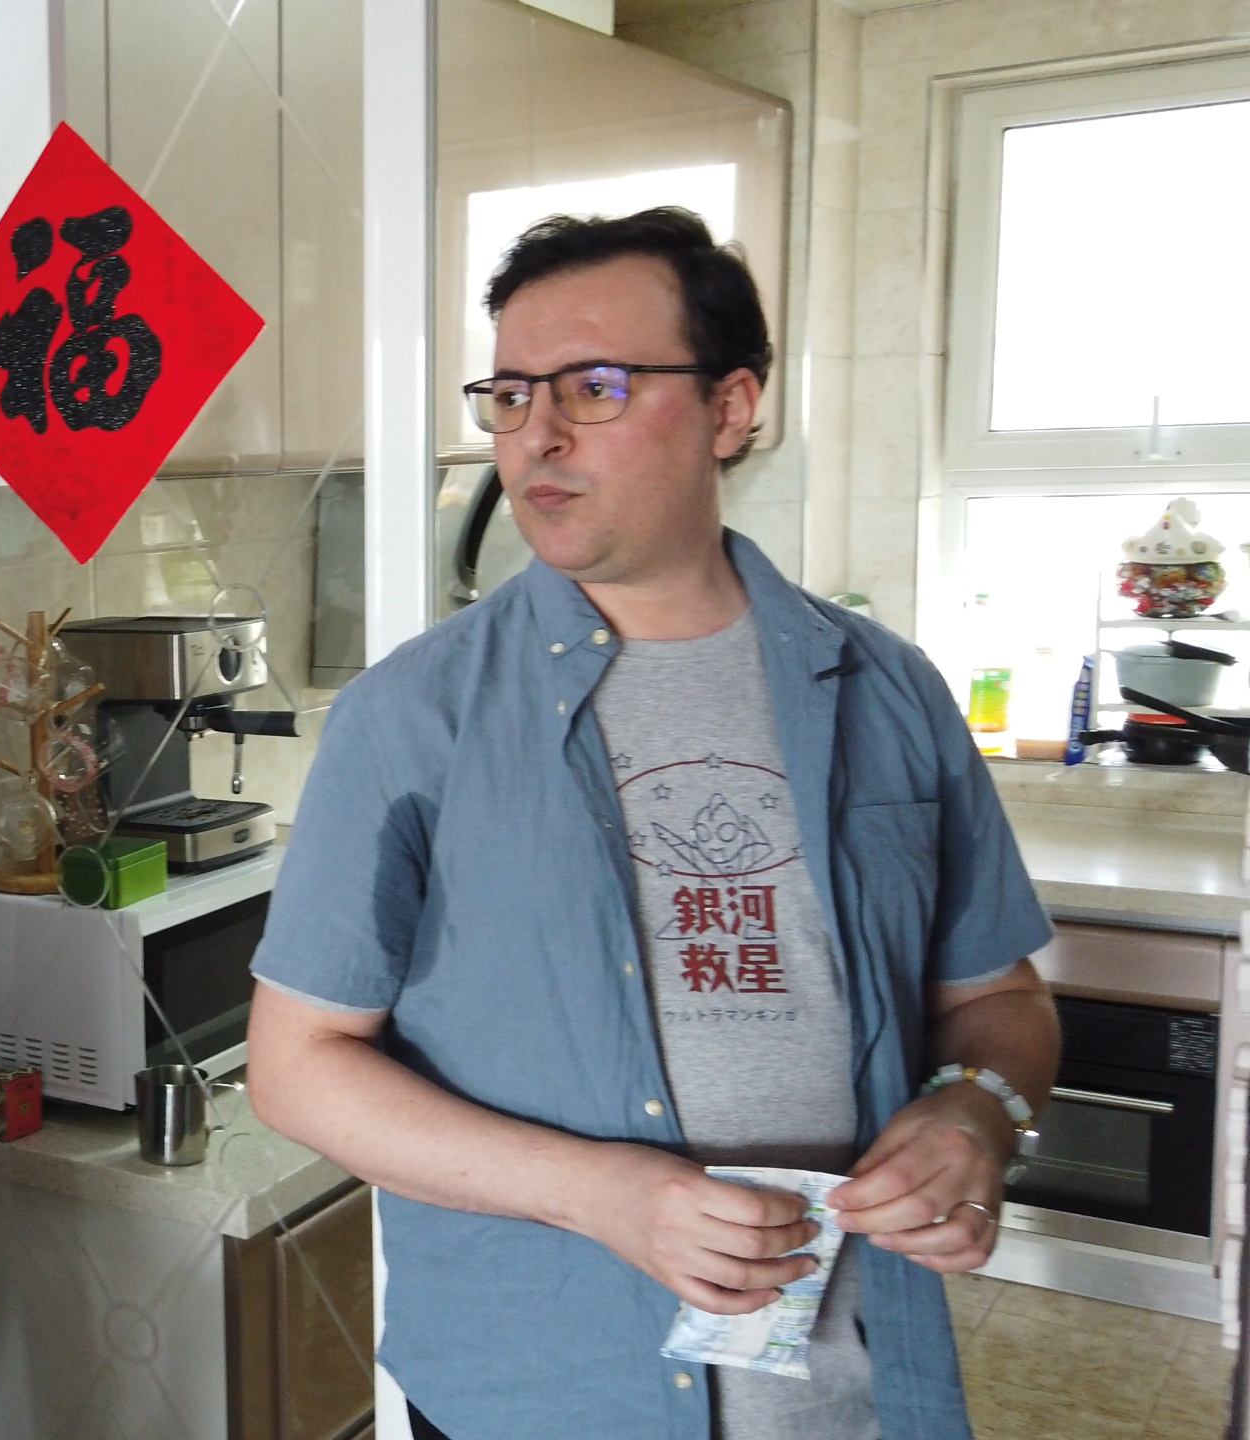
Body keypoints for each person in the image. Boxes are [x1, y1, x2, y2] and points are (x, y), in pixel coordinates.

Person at [245, 208, 1061, 1440]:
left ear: (731, 407)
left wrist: (977, 1111)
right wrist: (598, 1195)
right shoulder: (412, 717)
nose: (537, 436)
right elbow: (297, 1064)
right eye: (510, 395)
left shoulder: (888, 691)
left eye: (597, 387)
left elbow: (998, 999)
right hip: (542, 1396)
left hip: (856, 1393)